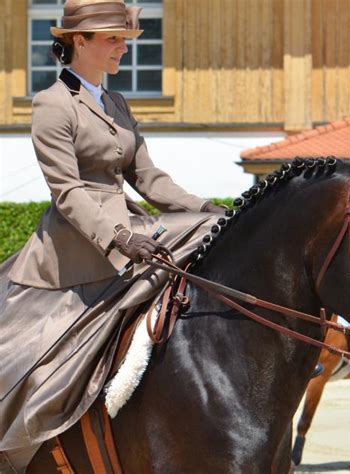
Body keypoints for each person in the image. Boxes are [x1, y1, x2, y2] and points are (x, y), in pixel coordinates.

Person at [0, 0, 224, 470]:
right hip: (76, 243)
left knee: (206, 232)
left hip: (130, 223)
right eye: (113, 39)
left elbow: (148, 177)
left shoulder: (117, 104)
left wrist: (205, 209)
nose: (123, 48)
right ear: (78, 42)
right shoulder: (51, 104)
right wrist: (121, 237)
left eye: (124, 39)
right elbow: (68, 192)